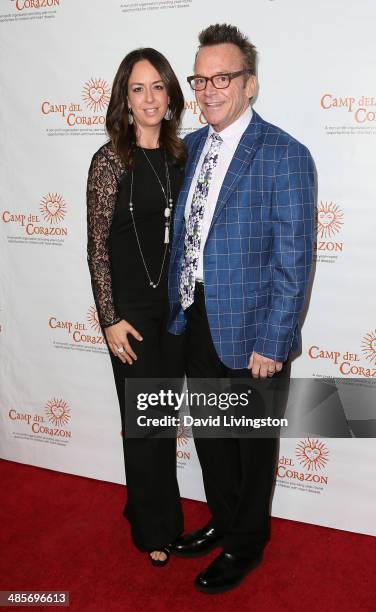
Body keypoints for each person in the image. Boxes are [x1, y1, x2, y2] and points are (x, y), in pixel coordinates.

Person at [168, 24, 315, 592]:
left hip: (254, 330)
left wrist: (274, 341)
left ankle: (247, 542)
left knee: (251, 446)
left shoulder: (285, 155)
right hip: (197, 316)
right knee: (210, 434)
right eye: (200, 78)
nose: (208, 89)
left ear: (249, 85)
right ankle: (224, 522)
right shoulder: (193, 146)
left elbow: (293, 259)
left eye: (222, 78)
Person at [86, 48, 186, 566]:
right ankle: (153, 530)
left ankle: (150, 509)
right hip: (129, 315)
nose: (149, 98)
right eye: (138, 89)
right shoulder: (109, 160)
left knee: (162, 421)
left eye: (158, 87)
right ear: (124, 100)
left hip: (172, 312)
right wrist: (109, 318)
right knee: (144, 424)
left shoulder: (179, 156)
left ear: (171, 95)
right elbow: (96, 245)